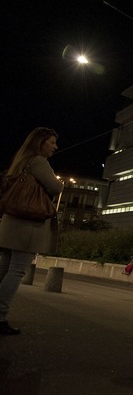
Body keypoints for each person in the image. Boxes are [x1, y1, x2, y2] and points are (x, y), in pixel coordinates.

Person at [0, 127, 64, 335]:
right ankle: (0, 315)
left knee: (5, 268)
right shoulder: (38, 161)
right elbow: (56, 187)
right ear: (40, 143)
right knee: (17, 270)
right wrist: (57, 182)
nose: (55, 146)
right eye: (52, 142)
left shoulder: (20, 161)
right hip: (27, 225)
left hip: (11, 223)